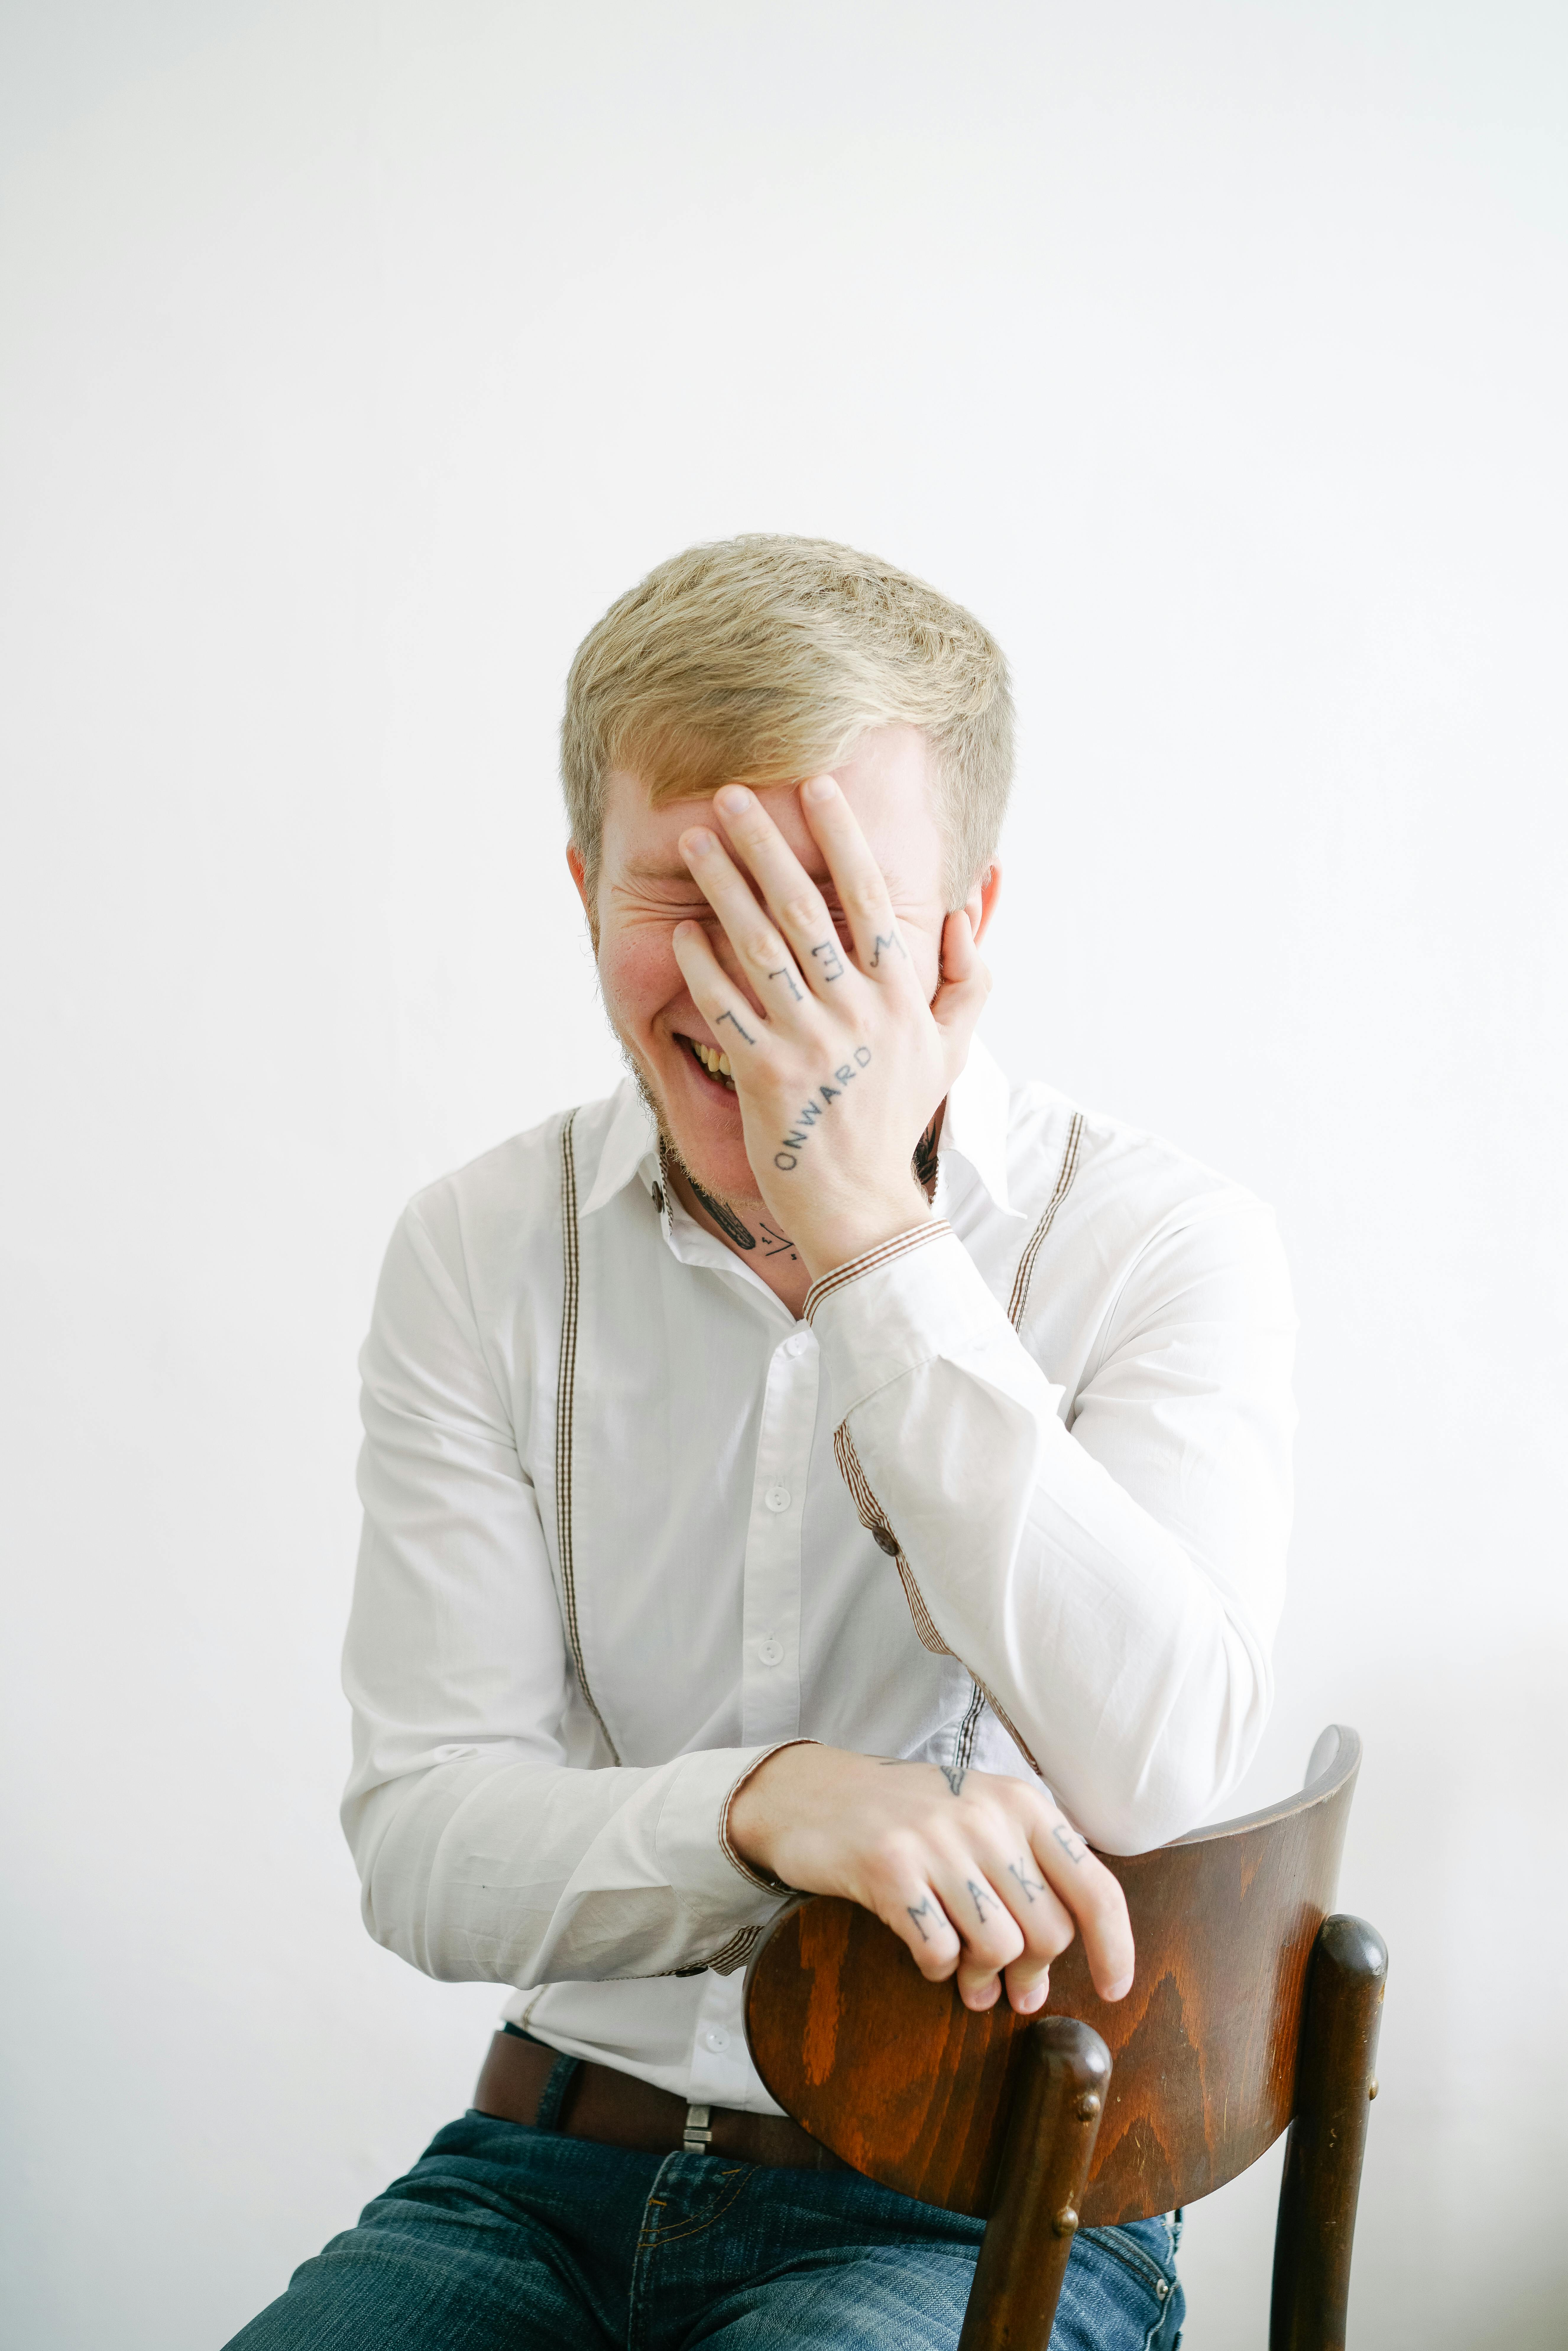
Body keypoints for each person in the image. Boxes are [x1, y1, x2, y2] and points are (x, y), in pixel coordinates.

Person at [227, 536, 1295, 2350]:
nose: (750, 983)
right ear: (580, 893)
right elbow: (422, 1841)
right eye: (684, 893)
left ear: (960, 937)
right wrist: (762, 1807)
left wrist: (875, 1240)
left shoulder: (1166, 1241)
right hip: (540, 2174)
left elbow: (1164, 1772)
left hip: (974, 2198)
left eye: (825, 913)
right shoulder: (481, 1250)